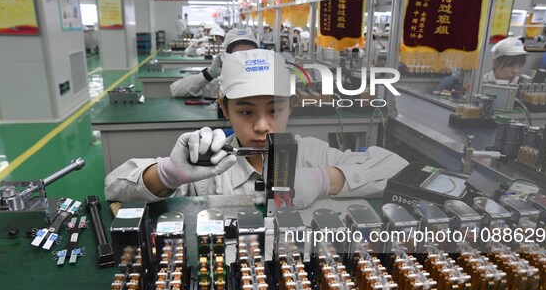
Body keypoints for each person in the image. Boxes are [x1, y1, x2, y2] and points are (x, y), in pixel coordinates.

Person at [105, 49, 409, 208]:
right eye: (246, 111)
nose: (263, 126)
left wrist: (323, 179)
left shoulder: (312, 154)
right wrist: (167, 174)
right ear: (224, 108)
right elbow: (113, 186)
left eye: (275, 109)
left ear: (292, 105)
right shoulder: (207, 166)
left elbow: (397, 168)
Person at [170, 28, 258, 98]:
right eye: (238, 55)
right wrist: (209, 74)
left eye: (248, 55)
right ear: (227, 57)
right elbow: (176, 90)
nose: (244, 61)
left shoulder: (266, 80)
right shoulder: (219, 83)